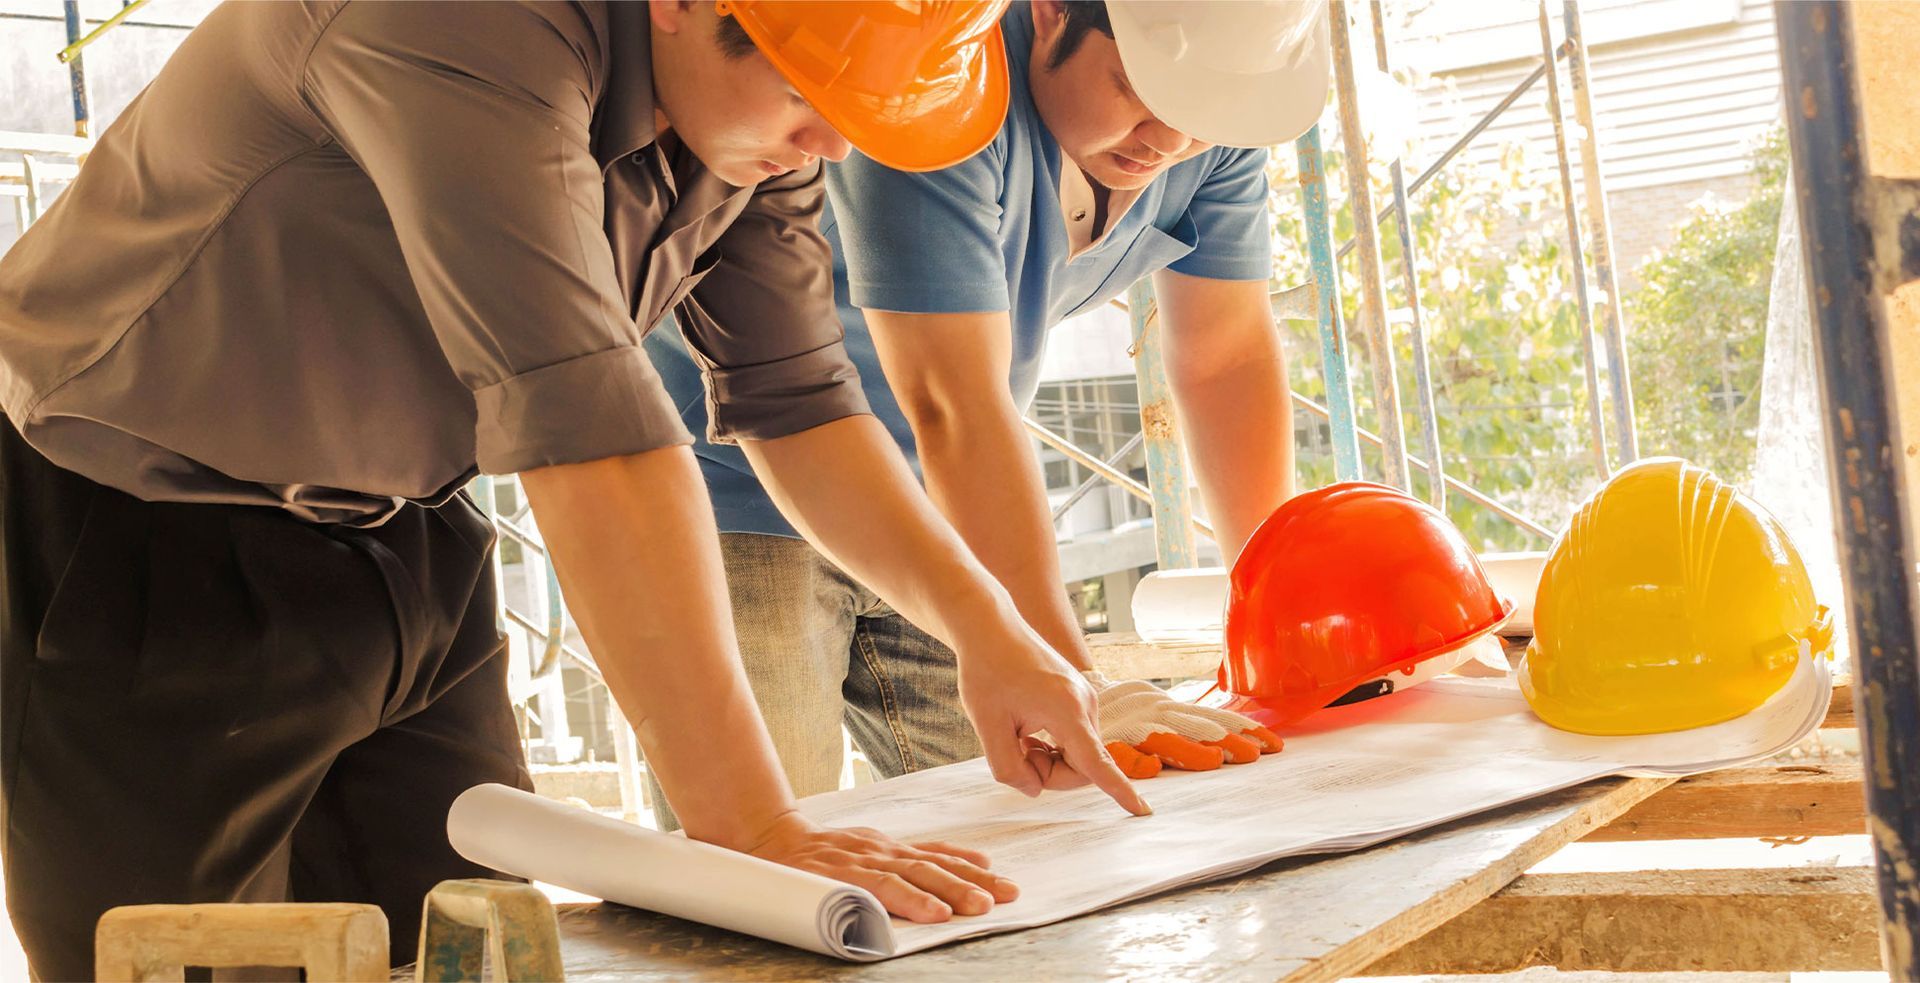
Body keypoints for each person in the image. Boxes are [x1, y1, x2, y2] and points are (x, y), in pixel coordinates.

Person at [0, 2, 1149, 978]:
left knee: (470, 944)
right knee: (190, 963)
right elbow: (593, 435)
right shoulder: (461, 24)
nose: (834, 143)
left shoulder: (750, 128)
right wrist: (750, 820)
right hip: (139, 534)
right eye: (814, 91)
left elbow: (799, 400)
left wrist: (990, 634)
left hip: (413, 533)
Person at [644, 0, 1326, 825]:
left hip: (947, 514)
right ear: (1048, 13)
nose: (1169, 142)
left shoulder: (1213, 125)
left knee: (1045, 821)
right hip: (747, 486)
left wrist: (1292, 623)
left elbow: (1226, 360)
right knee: (769, 855)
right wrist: (1079, 679)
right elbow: (953, 402)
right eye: (1135, 92)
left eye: (1200, 121)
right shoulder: (938, 82)